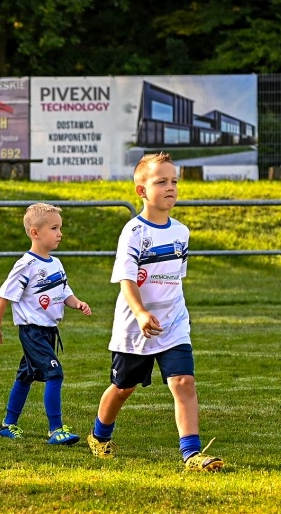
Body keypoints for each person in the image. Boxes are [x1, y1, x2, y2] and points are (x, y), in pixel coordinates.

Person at [87, 152, 222, 470]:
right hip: (136, 328)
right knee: (123, 388)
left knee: (184, 382)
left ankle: (191, 454)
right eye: (161, 181)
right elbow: (127, 279)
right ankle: (100, 436)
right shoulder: (134, 232)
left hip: (174, 323)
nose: (171, 187)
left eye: (174, 180)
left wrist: (170, 312)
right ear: (142, 191)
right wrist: (142, 313)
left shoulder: (182, 232)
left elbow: (174, 280)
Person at [0, 203, 93, 445]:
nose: (60, 233)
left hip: (48, 332)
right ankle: (56, 429)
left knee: (25, 376)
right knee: (55, 374)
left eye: (60, 228)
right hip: (32, 331)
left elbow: (65, 292)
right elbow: (4, 295)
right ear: (35, 232)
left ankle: (8, 424)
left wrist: (77, 304)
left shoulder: (55, 263)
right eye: (54, 228)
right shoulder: (26, 265)